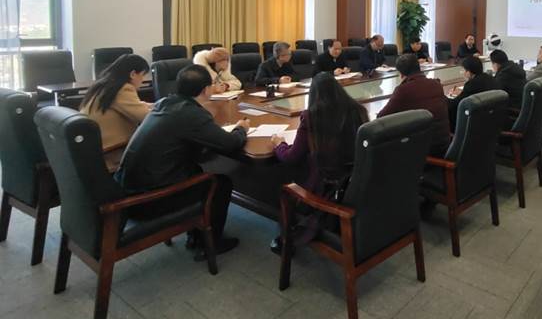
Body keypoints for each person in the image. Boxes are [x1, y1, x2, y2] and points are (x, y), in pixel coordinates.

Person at [114, 65, 251, 260]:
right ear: (206, 90)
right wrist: (241, 129)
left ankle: (195, 235)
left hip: (127, 190)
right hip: (148, 202)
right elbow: (230, 144)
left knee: (198, 169)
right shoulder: (191, 114)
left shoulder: (164, 103)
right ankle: (209, 244)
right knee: (220, 183)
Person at [269, 72, 369, 251]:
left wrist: (279, 144)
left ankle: (288, 235)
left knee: (285, 180)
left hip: (326, 186)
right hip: (352, 181)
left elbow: (291, 158)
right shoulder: (358, 110)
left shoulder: (312, 116)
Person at [378, 54, 450, 156]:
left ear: (401, 74)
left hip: (424, 152)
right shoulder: (436, 84)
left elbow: (381, 118)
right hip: (443, 144)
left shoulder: (403, 90)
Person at [80, 54, 151, 149]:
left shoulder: (106, 85)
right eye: (142, 75)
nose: (143, 80)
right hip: (113, 150)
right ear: (133, 74)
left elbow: (134, 106)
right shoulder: (123, 88)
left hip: (95, 146)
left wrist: (156, 105)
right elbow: (147, 117)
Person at [447, 55, 498, 131]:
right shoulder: (490, 78)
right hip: (490, 121)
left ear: (468, 72)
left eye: (463, 70)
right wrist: (462, 93)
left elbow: (455, 104)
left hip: (473, 125)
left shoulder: (471, 84)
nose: (462, 73)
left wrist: (442, 97)